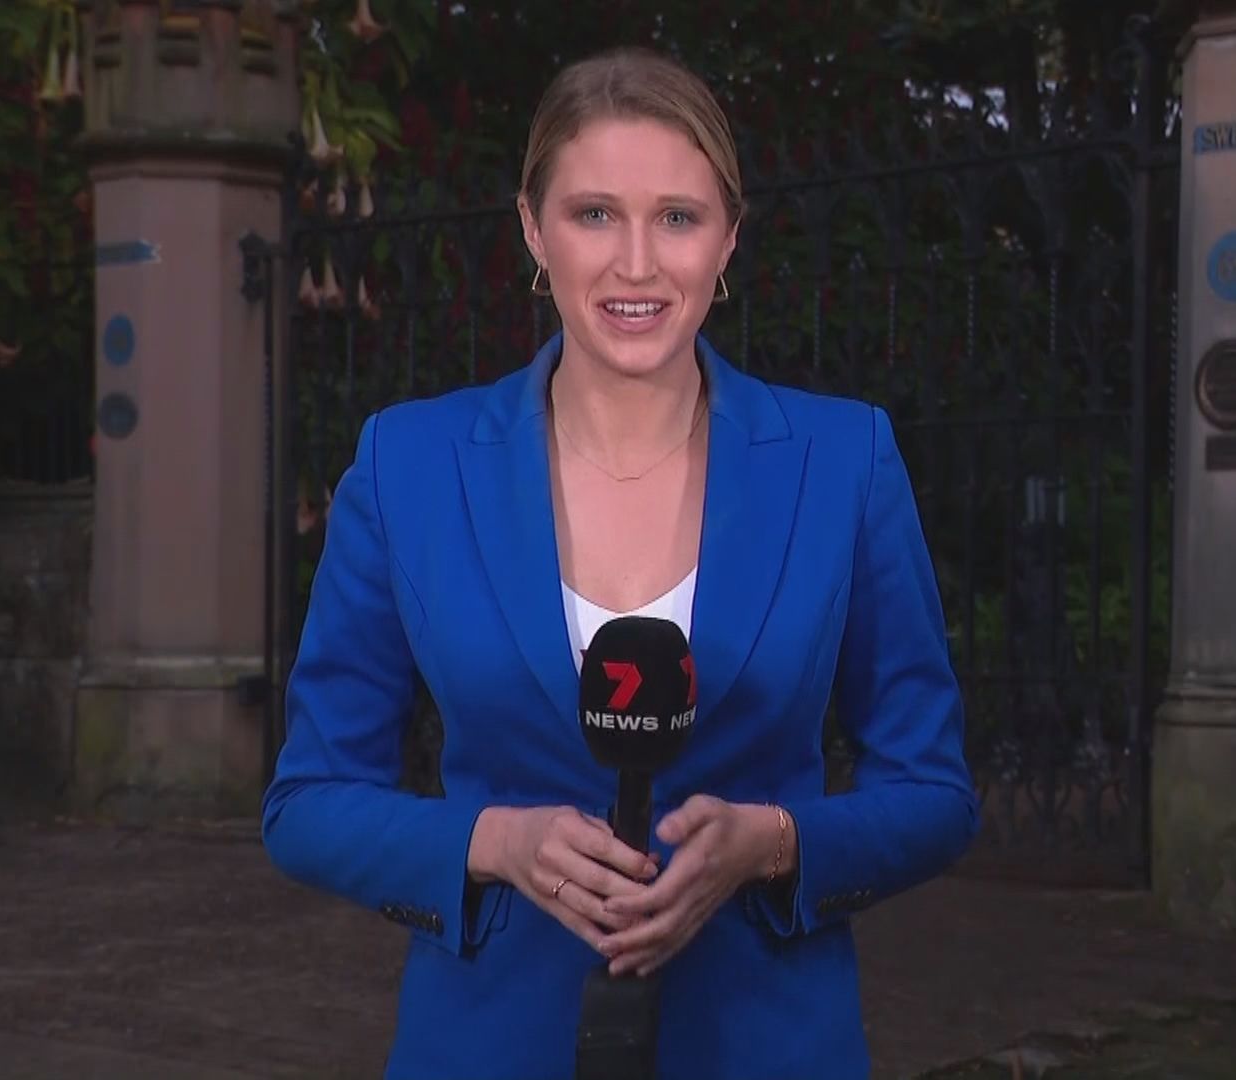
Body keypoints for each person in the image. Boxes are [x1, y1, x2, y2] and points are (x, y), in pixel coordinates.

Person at [261, 47, 979, 1080]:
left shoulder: (844, 461)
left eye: (677, 217)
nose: (636, 264)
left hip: (766, 1043)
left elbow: (934, 791)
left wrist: (775, 843)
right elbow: (309, 803)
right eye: (594, 213)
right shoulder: (408, 465)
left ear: (728, 237)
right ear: (532, 229)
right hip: (493, 1045)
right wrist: (493, 844)